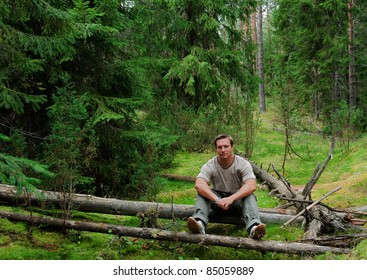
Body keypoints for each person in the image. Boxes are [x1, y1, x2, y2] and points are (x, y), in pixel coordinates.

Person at [187, 134, 266, 240]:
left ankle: (254, 228)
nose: (223, 150)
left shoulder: (242, 164)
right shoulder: (210, 165)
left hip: (236, 202)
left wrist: (231, 199)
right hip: (217, 203)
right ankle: (199, 223)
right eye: (219, 147)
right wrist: (217, 200)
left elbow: (251, 185)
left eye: (226, 146)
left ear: (232, 147)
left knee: (250, 196)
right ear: (216, 149)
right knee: (202, 192)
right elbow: (199, 184)